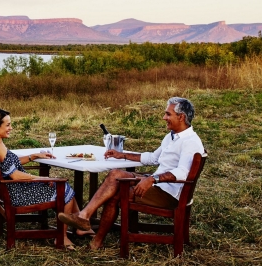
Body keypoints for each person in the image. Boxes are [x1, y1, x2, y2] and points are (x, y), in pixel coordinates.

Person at [57, 97, 205, 250]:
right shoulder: (172, 136)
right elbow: (153, 158)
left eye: (168, 114)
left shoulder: (190, 141)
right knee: (115, 174)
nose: (164, 118)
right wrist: (122, 155)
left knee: (115, 193)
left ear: (181, 117)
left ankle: (95, 239)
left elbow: (182, 173)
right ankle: (84, 216)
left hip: (169, 194)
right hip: (159, 185)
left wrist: (152, 179)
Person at [0, 108, 93, 249]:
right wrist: (42, 178)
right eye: (7, 125)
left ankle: (80, 224)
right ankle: (62, 237)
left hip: (11, 191)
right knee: (64, 189)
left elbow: (11, 163)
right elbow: (15, 175)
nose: (10, 128)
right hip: (18, 195)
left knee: (62, 188)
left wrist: (35, 156)